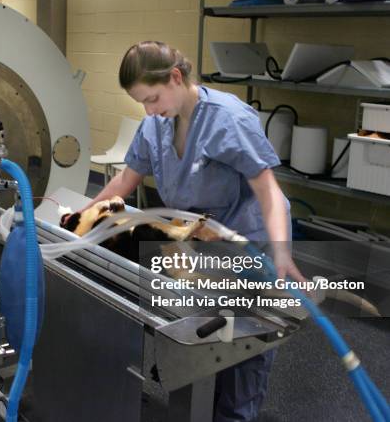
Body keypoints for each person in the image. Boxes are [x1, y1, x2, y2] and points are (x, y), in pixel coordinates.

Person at [73, 41, 307, 421]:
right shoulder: (156, 125)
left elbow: (269, 192)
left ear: (176, 78)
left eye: (152, 98)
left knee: (244, 348)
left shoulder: (227, 118)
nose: (149, 111)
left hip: (250, 242)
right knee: (204, 332)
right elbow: (125, 181)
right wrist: (80, 216)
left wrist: (280, 253)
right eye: (142, 103)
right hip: (202, 243)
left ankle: (234, 415)